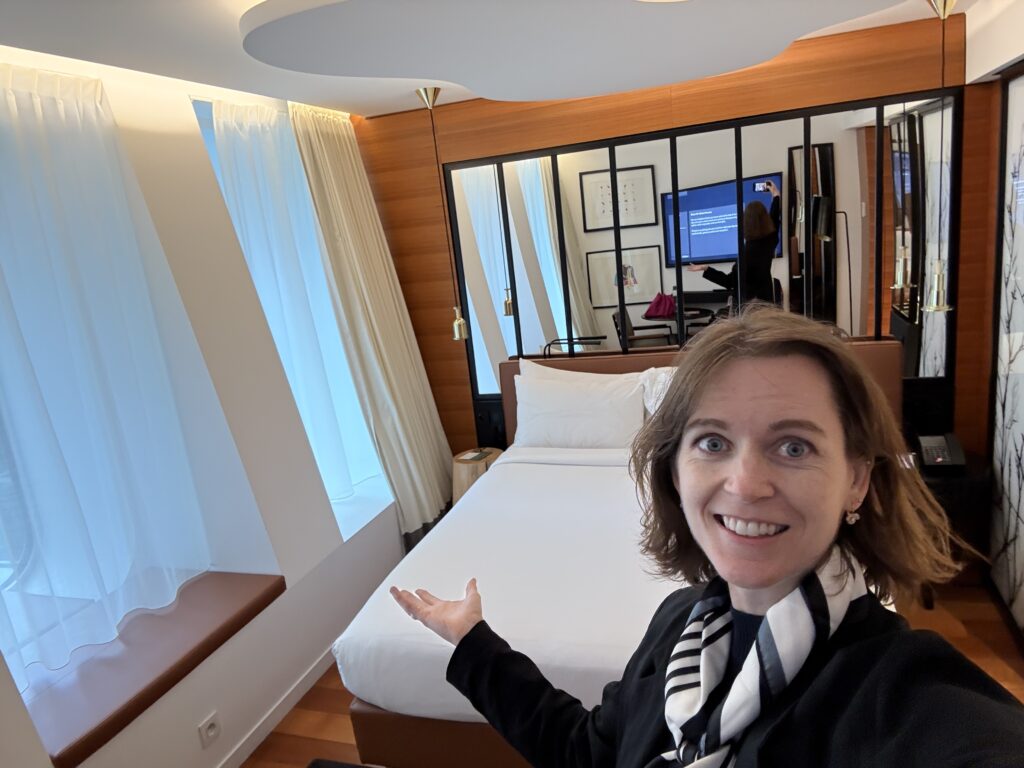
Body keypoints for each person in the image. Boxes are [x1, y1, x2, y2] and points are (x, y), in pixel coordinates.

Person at [390, 306, 1024, 768]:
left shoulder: (899, 692)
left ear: (856, 479)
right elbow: (591, 752)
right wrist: (473, 643)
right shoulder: (679, 624)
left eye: (794, 446)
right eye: (713, 442)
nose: (745, 484)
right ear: (675, 469)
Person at [688, 179, 780, 306]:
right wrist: (775, 195)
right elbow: (774, 217)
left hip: (749, 307)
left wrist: (706, 269)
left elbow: (729, 281)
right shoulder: (770, 239)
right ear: (765, 219)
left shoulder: (747, 253)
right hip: (766, 302)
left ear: (746, 223)